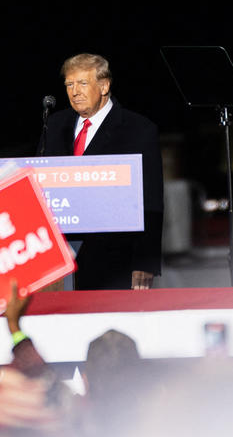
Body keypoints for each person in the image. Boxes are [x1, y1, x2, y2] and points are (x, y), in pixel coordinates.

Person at [40, 53, 164, 290]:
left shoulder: (138, 129)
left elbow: (151, 200)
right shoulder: (54, 125)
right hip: (58, 257)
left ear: (104, 85)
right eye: (69, 84)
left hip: (114, 259)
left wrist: (145, 261)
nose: (75, 91)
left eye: (83, 83)